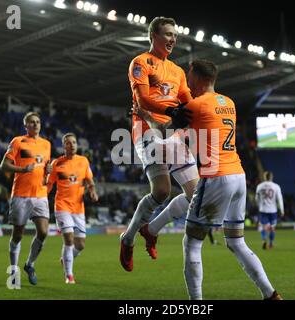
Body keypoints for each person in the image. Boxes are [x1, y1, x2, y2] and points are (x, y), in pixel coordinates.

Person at [137, 59, 281, 300]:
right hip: (238, 176)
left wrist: (145, 115)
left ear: (199, 78)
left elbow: (163, 133)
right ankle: (271, 295)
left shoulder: (196, 105)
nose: (187, 82)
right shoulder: (229, 103)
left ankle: (197, 303)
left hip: (216, 177)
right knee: (237, 243)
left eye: (190, 77)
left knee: (191, 243)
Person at [120, 16, 200, 272]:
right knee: (163, 190)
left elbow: (189, 101)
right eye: (167, 34)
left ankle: (151, 229)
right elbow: (143, 99)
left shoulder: (177, 71)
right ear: (153, 35)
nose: (173, 39)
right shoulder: (141, 63)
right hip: (147, 129)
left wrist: (208, 106)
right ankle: (128, 237)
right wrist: (174, 110)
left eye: (174, 35)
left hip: (172, 130)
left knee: (196, 196)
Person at [0, 111, 51, 286]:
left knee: (43, 232)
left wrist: (48, 172)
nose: (35, 124)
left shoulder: (46, 144)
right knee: (18, 234)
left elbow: (45, 170)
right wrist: (22, 170)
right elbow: (3, 165)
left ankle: (29, 264)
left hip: (41, 195)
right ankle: (13, 271)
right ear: (25, 126)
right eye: (31, 122)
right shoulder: (17, 141)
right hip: (21, 195)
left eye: (37, 122)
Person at [47, 133, 99, 284]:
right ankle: (69, 275)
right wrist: (41, 197)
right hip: (62, 206)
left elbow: (89, 180)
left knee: (80, 245)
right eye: (68, 143)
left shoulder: (83, 161)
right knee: (69, 240)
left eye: (74, 142)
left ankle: (66, 259)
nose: (72, 145)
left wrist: (92, 191)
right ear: (64, 146)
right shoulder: (57, 163)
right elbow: (49, 184)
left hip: (78, 208)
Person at [255, 171, 284, 249]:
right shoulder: (276, 186)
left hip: (263, 210)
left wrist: (259, 206)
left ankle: (264, 240)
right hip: (273, 210)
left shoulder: (260, 186)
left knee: (263, 227)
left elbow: (256, 199)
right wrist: (282, 210)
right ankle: (271, 243)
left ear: (264, 177)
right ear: (271, 177)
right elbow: (279, 199)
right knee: (272, 227)